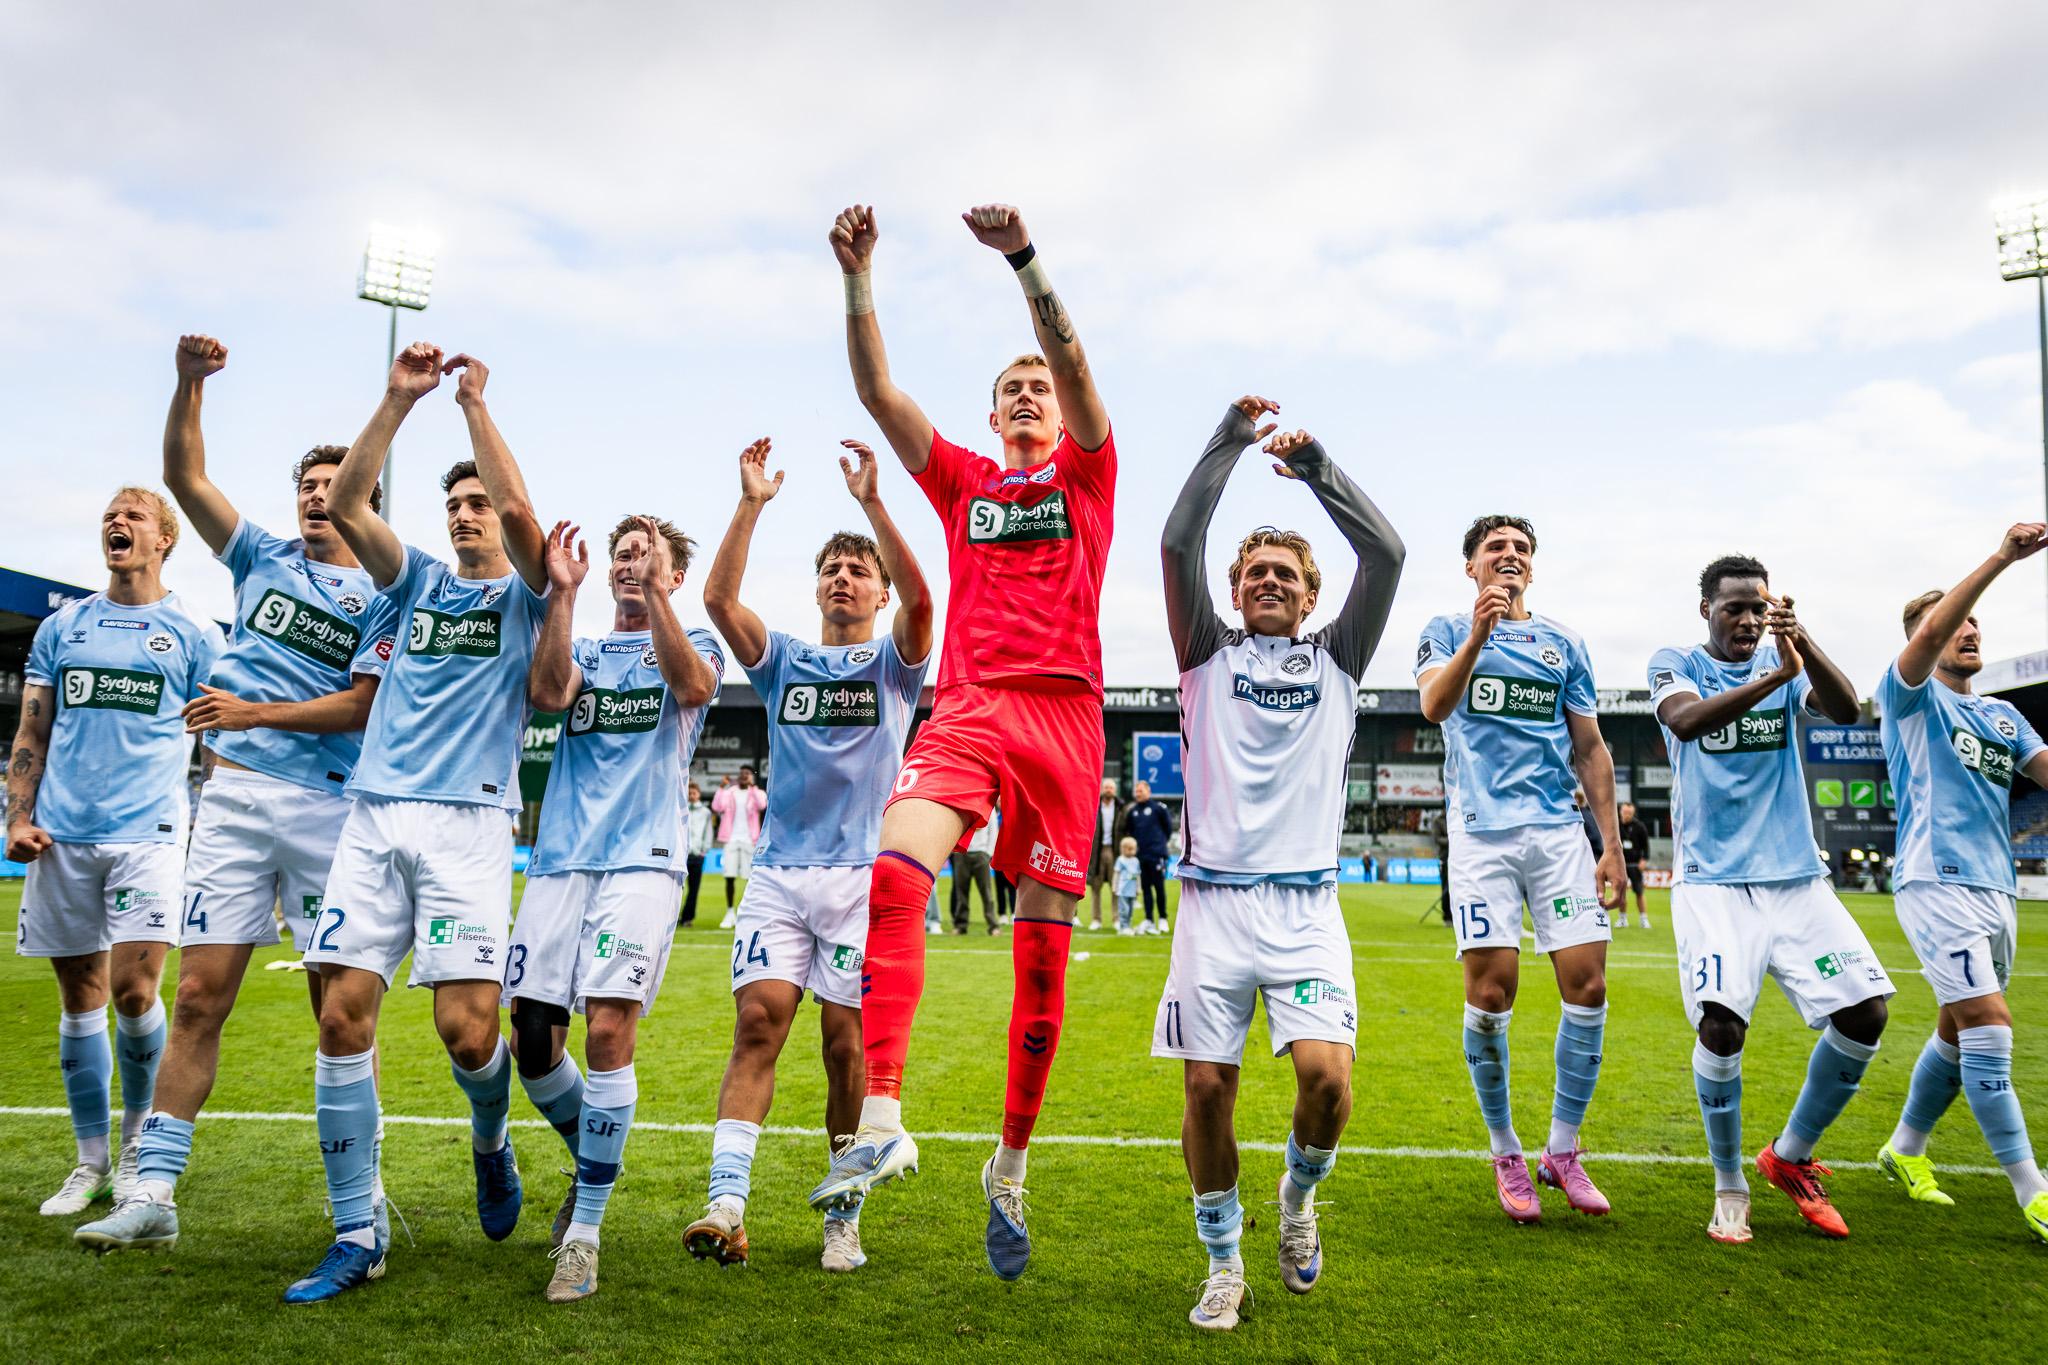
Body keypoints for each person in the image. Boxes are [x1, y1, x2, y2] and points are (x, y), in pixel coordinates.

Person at [808, 201, 1114, 1282]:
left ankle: (1009, 1163)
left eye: (1037, 385)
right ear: (990, 415)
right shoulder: (964, 482)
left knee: (1042, 957)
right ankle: (883, 1114)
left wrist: (1024, 262)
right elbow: (877, 394)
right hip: (973, 704)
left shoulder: (1085, 473)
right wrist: (858, 277)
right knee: (895, 872)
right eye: (1010, 389)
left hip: (1065, 717)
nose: (1028, 394)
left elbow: (1075, 368)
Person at [74, 335, 400, 1255]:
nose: (315, 496)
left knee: (339, 1013)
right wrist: (189, 384)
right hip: (232, 804)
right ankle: (154, 1191)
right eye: (306, 484)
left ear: (361, 497)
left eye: (332, 484)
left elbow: (360, 706)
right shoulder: (259, 555)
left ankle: (364, 1194)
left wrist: (252, 709)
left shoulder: (385, 592)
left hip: (330, 812)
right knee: (196, 1000)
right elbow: (184, 474)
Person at [280, 343, 548, 1303]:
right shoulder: (417, 581)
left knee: (469, 1034)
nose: (467, 514)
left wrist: (474, 404)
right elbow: (352, 505)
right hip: (374, 816)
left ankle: (491, 1135)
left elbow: (525, 518)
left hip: (469, 825)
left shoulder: (528, 595)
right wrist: (396, 400)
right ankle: (357, 1230)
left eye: (478, 503)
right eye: (455, 504)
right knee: (341, 1015)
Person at [1155, 396, 1403, 1330]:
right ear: (1234, 590)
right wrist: (1226, 442)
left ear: (1309, 596)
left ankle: (1297, 1199)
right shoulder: (1202, 653)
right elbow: (1178, 542)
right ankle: (1223, 1262)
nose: (1268, 579)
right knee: (1206, 1088)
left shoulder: (1339, 658)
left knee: (1328, 1082)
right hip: (1212, 906)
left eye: (1285, 573)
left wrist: (1318, 470)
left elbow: (1386, 555)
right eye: (1254, 570)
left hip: (1305, 906)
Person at [692, 437, 931, 1274]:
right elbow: (718, 600)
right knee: (758, 1022)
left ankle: (843, 1212)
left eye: (859, 570)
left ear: (879, 590)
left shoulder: (894, 664)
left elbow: (925, 602)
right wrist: (751, 502)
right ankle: (726, 1202)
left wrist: (873, 505)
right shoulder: (785, 659)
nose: (843, 577)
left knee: (844, 1046)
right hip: (781, 875)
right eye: (831, 567)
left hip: (865, 880)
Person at [506, 514, 721, 1301]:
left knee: (605, 1031)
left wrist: (658, 596)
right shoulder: (588, 651)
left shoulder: (695, 640)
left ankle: (584, 1236)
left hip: (643, 861)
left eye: (648, 555)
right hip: (562, 859)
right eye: (624, 554)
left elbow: (693, 688)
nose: (632, 563)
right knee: (533, 1041)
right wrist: (561, 594)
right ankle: (595, 1153)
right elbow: (545, 694)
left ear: (674, 574)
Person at [1649, 555, 1888, 1244]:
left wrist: (1801, 645)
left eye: (1759, 608)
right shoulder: (1677, 663)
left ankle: (1790, 1155)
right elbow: (1686, 721)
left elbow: (1847, 709)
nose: (1750, 620)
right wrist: (1776, 679)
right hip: (1713, 881)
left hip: (1794, 876)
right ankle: (1729, 1182)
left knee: (1866, 1013)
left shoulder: (1785, 660)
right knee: (1722, 1025)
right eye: (1735, 608)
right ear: (1707, 610)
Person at [8, 487, 224, 1219]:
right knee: (80, 998)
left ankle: (137, 1148)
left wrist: (218, 830)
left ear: (165, 539)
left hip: (150, 835)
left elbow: (217, 741)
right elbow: (32, 732)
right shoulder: (62, 628)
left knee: (135, 991)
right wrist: (18, 817)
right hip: (63, 835)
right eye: (110, 516)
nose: (117, 523)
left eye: (133, 516)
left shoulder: (195, 632)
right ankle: (89, 1161)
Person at [1415, 514, 1626, 1225]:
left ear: (1532, 566)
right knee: (1491, 992)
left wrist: (1611, 844)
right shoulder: (1446, 629)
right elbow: (1434, 704)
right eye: (1495, 547)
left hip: (1559, 834)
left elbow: (1591, 747)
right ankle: (1505, 1150)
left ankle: (1562, 1150)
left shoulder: (1564, 643)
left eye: (1521, 548)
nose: (1510, 555)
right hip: (1481, 836)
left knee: (1588, 985)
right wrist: (1479, 634)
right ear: (1471, 565)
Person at [1874, 524, 2048, 1242]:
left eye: (1977, 622)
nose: (1968, 630)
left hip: (1996, 888)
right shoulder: (1909, 696)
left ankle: (1905, 1147)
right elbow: (1929, 632)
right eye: (1955, 622)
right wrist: (2002, 559)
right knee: (1989, 1023)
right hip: (1934, 882)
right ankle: (2034, 1190)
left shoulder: (2002, 714)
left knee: (1956, 1027)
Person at [711, 767, 766, 928]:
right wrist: (722, 788)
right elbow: (717, 807)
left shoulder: (757, 792)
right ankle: (730, 913)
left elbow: (762, 805)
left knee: (750, 879)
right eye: (742, 774)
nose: (744, 776)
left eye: (747, 774)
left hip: (750, 840)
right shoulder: (730, 792)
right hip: (731, 839)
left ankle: (749, 912)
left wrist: (753, 787)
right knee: (729, 876)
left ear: (751, 777)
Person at [1123, 779, 1176, 933]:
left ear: (1148, 791)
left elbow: (1168, 829)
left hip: (1157, 855)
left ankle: (1163, 918)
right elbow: (1130, 831)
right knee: (1145, 888)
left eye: (1141, 791)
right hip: (1141, 856)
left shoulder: (1158, 808)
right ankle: (1149, 919)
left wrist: (1159, 845)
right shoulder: (1133, 811)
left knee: (1159, 887)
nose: (1138, 794)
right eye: (1136, 791)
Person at [951, 816, 999, 935]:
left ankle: (993, 925)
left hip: (981, 853)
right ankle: (960, 925)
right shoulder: (963, 806)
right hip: (961, 853)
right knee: (961, 892)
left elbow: (993, 830)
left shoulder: (989, 808)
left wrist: (988, 853)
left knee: (986, 892)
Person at [1086, 779, 1121, 930]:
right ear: (1102, 789)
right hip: (1097, 850)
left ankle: (1117, 919)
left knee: (1116, 886)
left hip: (1114, 850)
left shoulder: (1121, 807)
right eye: (1106, 787)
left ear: (1115, 790)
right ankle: (1096, 919)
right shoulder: (1094, 805)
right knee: (1095, 886)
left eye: (1111, 787)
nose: (1108, 790)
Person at [682, 783, 714, 927]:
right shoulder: (682, 809)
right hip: (682, 855)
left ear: (699, 794)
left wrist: (704, 850)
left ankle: (687, 918)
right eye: (689, 793)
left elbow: (708, 832)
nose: (691, 795)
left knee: (694, 889)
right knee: (676, 889)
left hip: (697, 855)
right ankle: (672, 918)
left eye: (694, 793)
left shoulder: (706, 812)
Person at [1617, 801, 1652, 929]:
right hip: (1620, 865)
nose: (1627, 815)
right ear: (1620, 811)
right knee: (1621, 893)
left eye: (1630, 813)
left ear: (1633, 813)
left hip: (1635, 865)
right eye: (1625, 812)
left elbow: (1646, 846)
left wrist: (1644, 859)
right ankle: (1622, 919)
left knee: (1639, 892)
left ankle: (1644, 919)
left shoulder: (1639, 826)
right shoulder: (1616, 825)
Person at [1113, 838, 1140, 934]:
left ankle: (1127, 926)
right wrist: (1114, 886)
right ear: (1123, 849)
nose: (1132, 851)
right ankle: (1123, 927)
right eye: (1130, 849)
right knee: (1124, 910)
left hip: (1132, 891)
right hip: (1123, 890)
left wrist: (1138, 888)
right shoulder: (1120, 860)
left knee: (1130, 910)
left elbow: (1137, 876)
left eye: (1134, 849)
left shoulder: (1136, 861)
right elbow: (1116, 874)